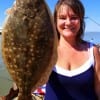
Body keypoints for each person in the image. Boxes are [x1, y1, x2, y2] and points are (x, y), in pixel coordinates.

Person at [44, 0, 100, 100]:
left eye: (74, 17)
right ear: (55, 21)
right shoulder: (45, 51)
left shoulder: (93, 50)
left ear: (81, 20)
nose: (68, 22)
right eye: (62, 18)